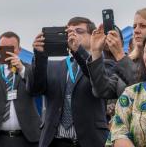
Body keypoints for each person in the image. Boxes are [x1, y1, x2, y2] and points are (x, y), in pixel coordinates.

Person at [31, 17, 111, 147]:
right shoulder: (54, 66)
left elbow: (97, 80)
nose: (72, 35)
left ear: (92, 36)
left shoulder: (103, 64)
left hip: (89, 141)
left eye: (79, 31)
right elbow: (36, 89)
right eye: (69, 32)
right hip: (55, 141)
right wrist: (40, 56)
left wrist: (78, 51)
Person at [87, 9, 146, 100]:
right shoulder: (130, 60)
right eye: (134, 26)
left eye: (143, 26)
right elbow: (102, 91)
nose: (136, 31)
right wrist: (96, 53)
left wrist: (119, 54)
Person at [0, 31, 41, 145]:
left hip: (27, 138)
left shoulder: (29, 69)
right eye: (3, 48)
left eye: (11, 48)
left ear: (19, 50)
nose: (7, 52)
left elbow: (37, 89)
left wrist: (21, 69)